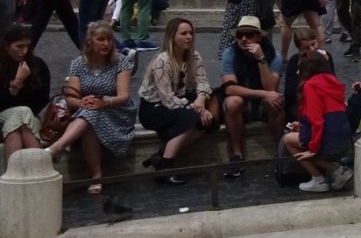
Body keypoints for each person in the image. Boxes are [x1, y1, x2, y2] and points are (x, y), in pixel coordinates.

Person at [46, 19, 136, 193]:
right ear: (90, 41)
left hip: (117, 111)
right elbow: (71, 98)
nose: (106, 44)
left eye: (108, 39)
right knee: (90, 116)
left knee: (90, 114)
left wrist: (104, 102)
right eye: (101, 39)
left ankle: (58, 147)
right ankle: (96, 176)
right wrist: (82, 102)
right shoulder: (78, 63)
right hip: (88, 110)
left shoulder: (121, 62)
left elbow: (123, 97)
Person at [138, 16, 220, 181]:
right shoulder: (162, 61)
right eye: (183, 33)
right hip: (154, 108)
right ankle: (165, 169)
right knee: (193, 118)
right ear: (172, 36)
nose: (188, 37)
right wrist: (197, 108)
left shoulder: (194, 56)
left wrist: (201, 98)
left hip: (179, 100)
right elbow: (167, 99)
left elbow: (203, 82)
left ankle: (162, 155)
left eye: (190, 33)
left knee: (210, 122)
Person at [219, 15, 285, 178]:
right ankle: (236, 155)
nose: (243, 39)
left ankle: (281, 150)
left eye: (249, 35)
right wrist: (264, 93)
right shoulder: (230, 53)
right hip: (244, 99)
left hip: (263, 102)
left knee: (274, 101)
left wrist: (261, 60)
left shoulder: (274, 56)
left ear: (259, 37)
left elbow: (271, 88)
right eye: (239, 35)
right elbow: (230, 89)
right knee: (232, 102)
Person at [283, 50, 353, 192]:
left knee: (288, 140)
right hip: (343, 139)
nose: (297, 72)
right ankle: (335, 171)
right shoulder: (332, 82)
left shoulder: (310, 86)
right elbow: (328, 116)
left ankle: (320, 179)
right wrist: (302, 126)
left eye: (300, 67)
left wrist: (312, 150)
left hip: (328, 141)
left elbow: (317, 121)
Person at [0, 23, 50, 161]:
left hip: (29, 118)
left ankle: (13, 173)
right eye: (19, 46)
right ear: (6, 46)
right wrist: (16, 84)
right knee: (21, 113)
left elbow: (42, 98)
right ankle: (39, 170)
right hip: (1, 119)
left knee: (20, 118)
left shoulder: (38, 65)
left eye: (27, 46)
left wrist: (23, 113)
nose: (24, 51)